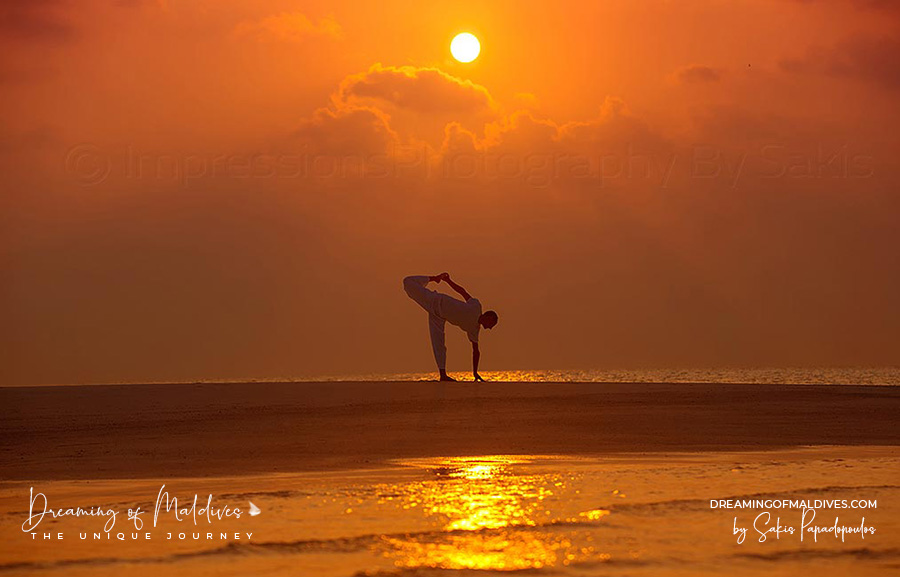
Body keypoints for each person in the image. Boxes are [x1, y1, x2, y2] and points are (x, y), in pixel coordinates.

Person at [403, 273, 498, 381]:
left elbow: (476, 351)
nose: (490, 328)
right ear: (489, 317)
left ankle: (443, 375)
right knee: (408, 282)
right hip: (436, 301)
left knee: (438, 345)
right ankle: (434, 278)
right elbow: (462, 292)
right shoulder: (476, 306)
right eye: (492, 325)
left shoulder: (474, 330)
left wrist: (475, 373)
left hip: (439, 318)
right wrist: (448, 281)